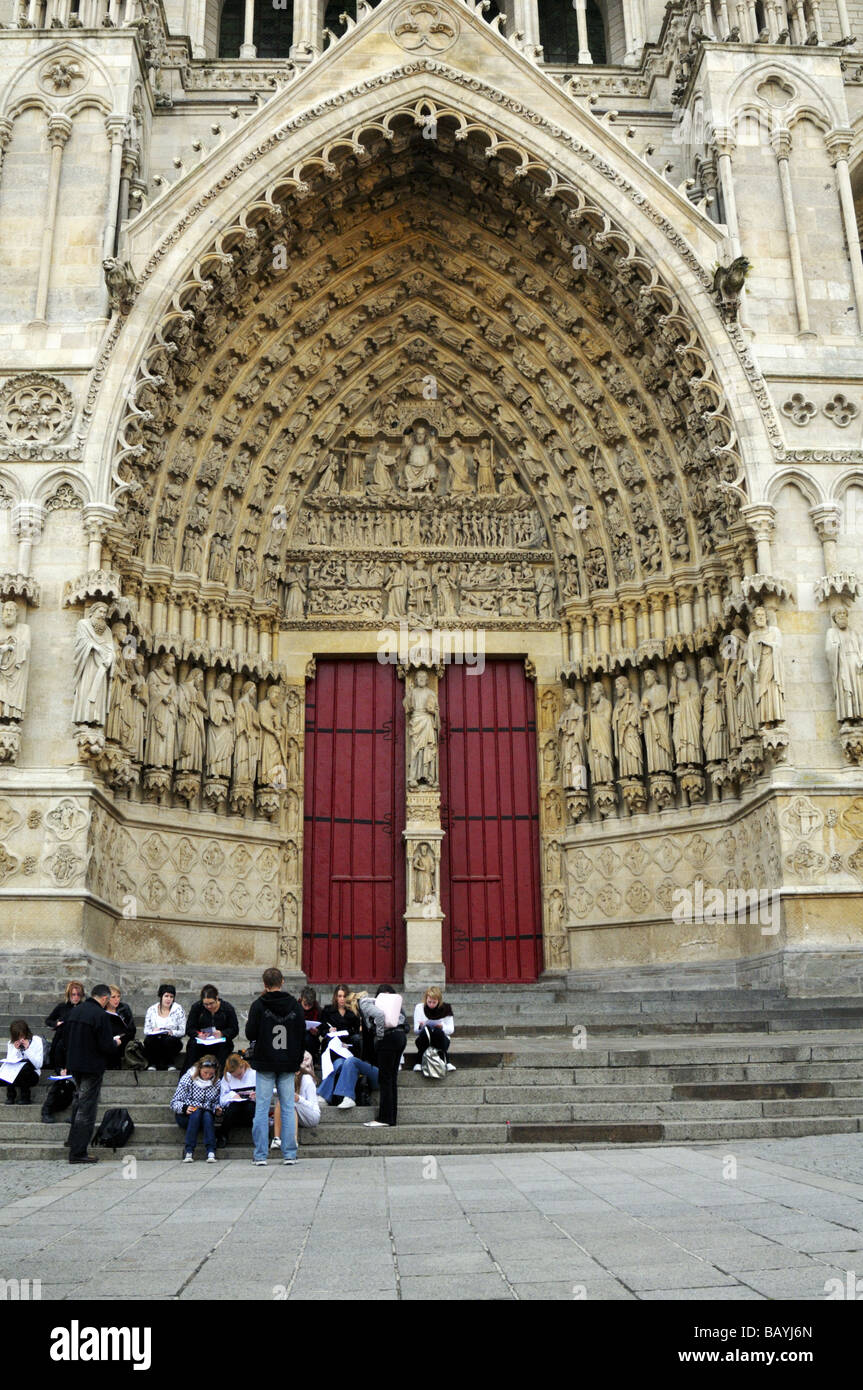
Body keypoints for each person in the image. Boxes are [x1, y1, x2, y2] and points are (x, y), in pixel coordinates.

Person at [246, 967, 306, 1166]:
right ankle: (289, 1153)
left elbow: (250, 1033)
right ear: (282, 981)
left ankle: (260, 1154)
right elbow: (301, 1035)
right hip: (288, 1061)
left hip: (265, 1060)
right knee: (288, 1107)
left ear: (265, 984)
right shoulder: (295, 1006)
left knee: (262, 1108)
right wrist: (297, 1059)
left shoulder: (258, 1005)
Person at [64, 985, 123, 1164]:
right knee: (86, 1109)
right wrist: (116, 1043)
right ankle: (78, 1152)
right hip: (91, 1066)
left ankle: (72, 1141)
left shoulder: (76, 1011)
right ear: (104, 998)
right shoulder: (100, 1015)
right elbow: (105, 1045)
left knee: (77, 1102)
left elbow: (64, 1038)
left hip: (75, 1064)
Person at [358, 987, 406, 1128]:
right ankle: (391, 1117)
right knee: (391, 1079)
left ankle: (384, 1118)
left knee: (385, 1079)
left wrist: (379, 1037)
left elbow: (378, 1016)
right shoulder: (389, 1003)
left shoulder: (364, 1004)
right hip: (400, 1037)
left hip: (388, 1039)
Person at [41, 981, 84, 1122]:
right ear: (69, 995)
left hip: (77, 1049)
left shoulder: (84, 1008)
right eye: (73, 994)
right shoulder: (62, 1007)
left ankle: (74, 1113)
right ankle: (47, 1110)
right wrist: (57, 1024)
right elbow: (49, 1020)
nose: (76, 997)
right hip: (61, 1045)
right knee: (61, 1080)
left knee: (76, 1083)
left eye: (78, 994)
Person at [170, 1055, 221, 1163]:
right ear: (199, 1069)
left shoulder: (217, 1082)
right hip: (186, 1115)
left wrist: (217, 1109)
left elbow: (216, 1102)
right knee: (196, 1112)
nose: (208, 1076)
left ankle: (211, 1150)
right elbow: (174, 1102)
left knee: (206, 1115)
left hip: (205, 1115)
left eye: (211, 1074)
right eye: (205, 1073)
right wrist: (184, 1108)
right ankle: (189, 1150)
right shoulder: (188, 1078)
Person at [184, 985, 238, 1071]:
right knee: (192, 1045)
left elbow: (234, 1029)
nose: (209, 1006)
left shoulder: (227, 1008)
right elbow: (189, 1028)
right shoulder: (197, 1007)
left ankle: (220, 1077)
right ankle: (190, 1075)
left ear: (217, 998)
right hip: (202, 1042)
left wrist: (222, 1033)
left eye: (211, 1003)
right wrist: (198, 1034)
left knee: (224, 1047)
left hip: (221, 1042)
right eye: (206, 1004)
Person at [216, 1053, 256, 1149]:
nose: (238, 1077)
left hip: (251, 1110)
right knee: (233, 1108)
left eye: (239, 1074)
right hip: (234, 1112)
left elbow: (268, 1091)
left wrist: (257, 1095)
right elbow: (222, 1099)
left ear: (242, 1066)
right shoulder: (227, 1077)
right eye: (235, 1076)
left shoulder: (254, 1074)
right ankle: (223, 1135)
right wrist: (232, 1095)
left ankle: (261, 1136)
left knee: (250, 1107)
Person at [0, 1020, 44, 1105]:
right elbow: (11, 1061)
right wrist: (16, 1050)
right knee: (8, 1067)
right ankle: (10, 1096)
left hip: (31, 1074)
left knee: (25, 1067)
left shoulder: (36, 1041)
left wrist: (27, 1049)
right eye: (17, 1037)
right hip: (15, 1076)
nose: (20, 1039)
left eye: (22, 1036)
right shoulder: (11, 1043)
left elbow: (38, 1064)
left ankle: (25, 1097)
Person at [143, 985, 186, 1070]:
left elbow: (182, 1030)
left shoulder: (178, 1009)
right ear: (161, 996)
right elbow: (146, 1030)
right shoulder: (152, 1010)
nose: (168, 999)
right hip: (156, 1039)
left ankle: (170, 1063)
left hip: (172, 1040)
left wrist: (172, 1032)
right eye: (166, 996)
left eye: (171, 996)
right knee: (149, 1040)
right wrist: (154, 1030)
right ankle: (152, 1064)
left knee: (168, 1040)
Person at [413, 987, 456, 1072]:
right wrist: (421, 1026)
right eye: (429, 1002)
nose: (431, 1004)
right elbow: (416, 1031)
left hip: (441, 1039)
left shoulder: (446, 1008)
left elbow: (451, 1030)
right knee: (427, 1029)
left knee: (438, 1032)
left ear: (439, 1001)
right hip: (425, 1038)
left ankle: (447, 1062)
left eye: (434, 1002)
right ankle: (418, 1062)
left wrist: (442, 1026)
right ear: (426, 999)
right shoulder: (419, 1007)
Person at [105, 985, 136, 1069]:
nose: (116, 1000)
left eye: (118, 996)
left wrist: (120, 1038)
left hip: (123, 1039)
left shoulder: (124, 1009)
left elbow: (132, 1029)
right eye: (113, 997)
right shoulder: (101, 1011)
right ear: (107, 998)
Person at [299, 986, 323, 1066]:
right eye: (305, 1004)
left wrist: (317, 1032)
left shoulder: (318, 1010)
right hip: (297, 1036)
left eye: (310, 1005)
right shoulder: (295, 1008)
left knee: (308, 1039)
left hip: (312, 1039)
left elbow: (322, 1030)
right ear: (301, 999)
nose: (307, 1008)